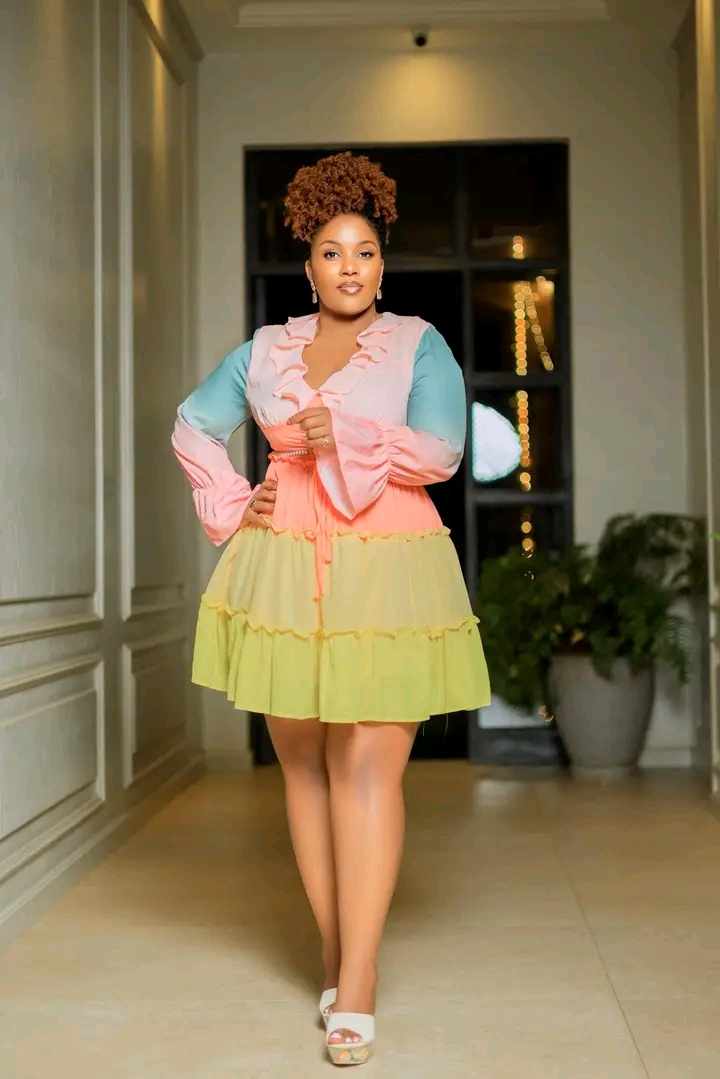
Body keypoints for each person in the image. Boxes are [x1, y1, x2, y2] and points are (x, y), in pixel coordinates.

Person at [172, 151, 520, 1066]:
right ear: (309, 265)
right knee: (304, 765)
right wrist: (232, 498)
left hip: (389, 561)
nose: (350, 266)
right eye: (332, 251)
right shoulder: (264, 349)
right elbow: (191, 425)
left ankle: (356, 979)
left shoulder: (418, 344)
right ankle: (337, 955)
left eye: (365, 250)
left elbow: (442, 451)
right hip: (284, 560)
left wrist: (351, 432)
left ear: (383, 263)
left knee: (368, 766)